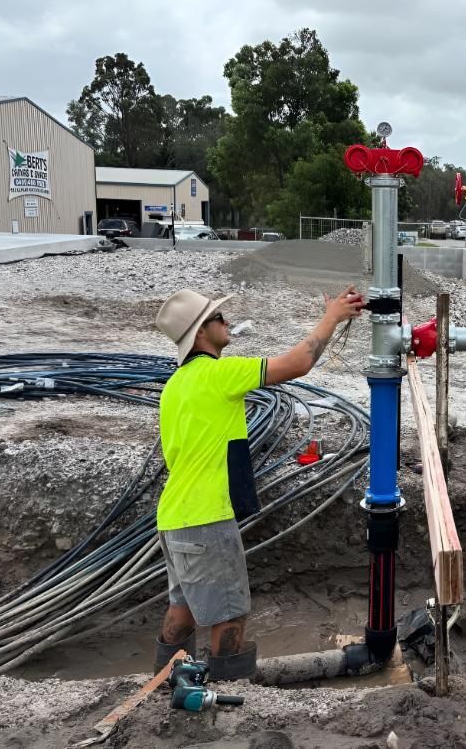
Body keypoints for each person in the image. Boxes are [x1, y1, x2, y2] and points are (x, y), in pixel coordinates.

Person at [152, 285, 364, 678]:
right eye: (218, 318)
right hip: (206, 517)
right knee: (229, 613)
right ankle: (226, 695)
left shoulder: (174, 386)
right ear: (201, 332)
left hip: (172, 516)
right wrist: (332, 316)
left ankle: (166, 683)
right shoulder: (218, 374)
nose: (226, 321)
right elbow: (298, 363)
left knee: (183, 608)